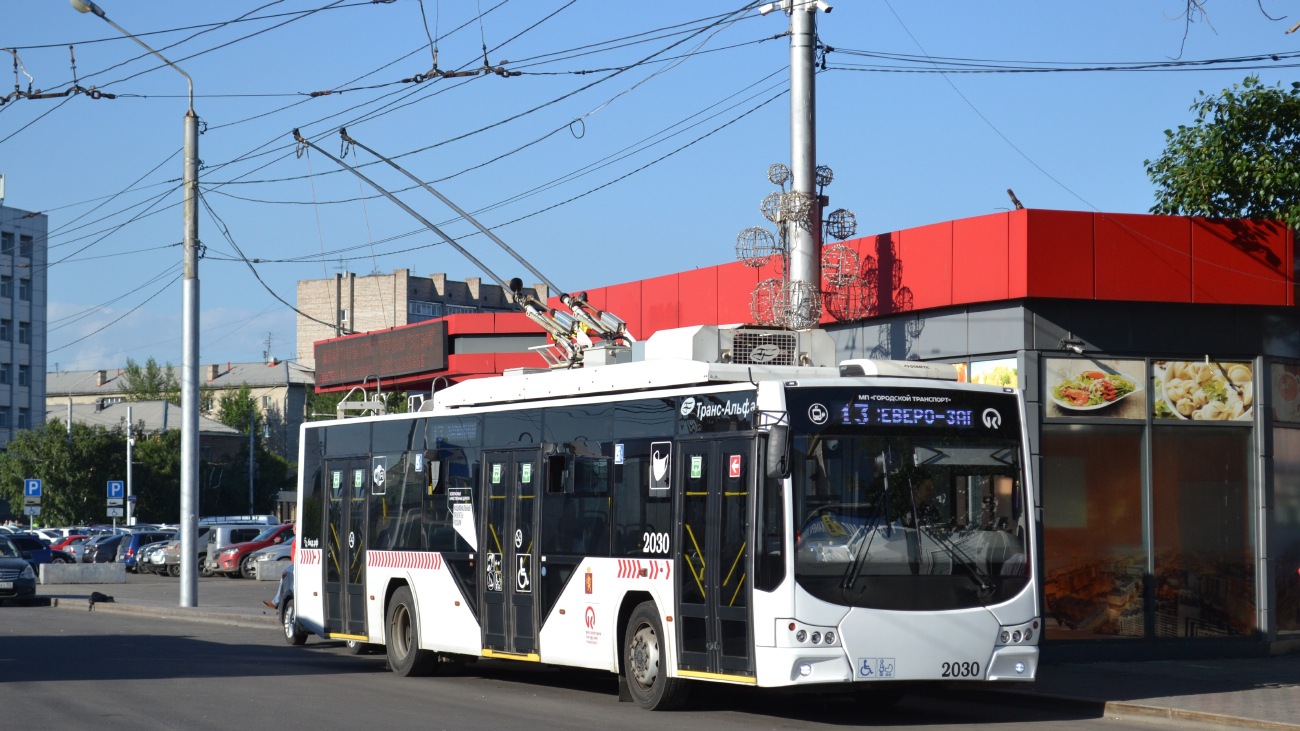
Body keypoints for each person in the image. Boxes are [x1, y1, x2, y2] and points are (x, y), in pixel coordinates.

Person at [263, 539, 295, 610]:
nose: (294, 529)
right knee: (286, 582)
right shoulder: (296, 538)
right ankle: (277, 602)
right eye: (293, 527)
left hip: (296, 565)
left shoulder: (299, 538)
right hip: (294, 565)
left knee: (285, 581)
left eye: (295, 528)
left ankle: (277, 603)